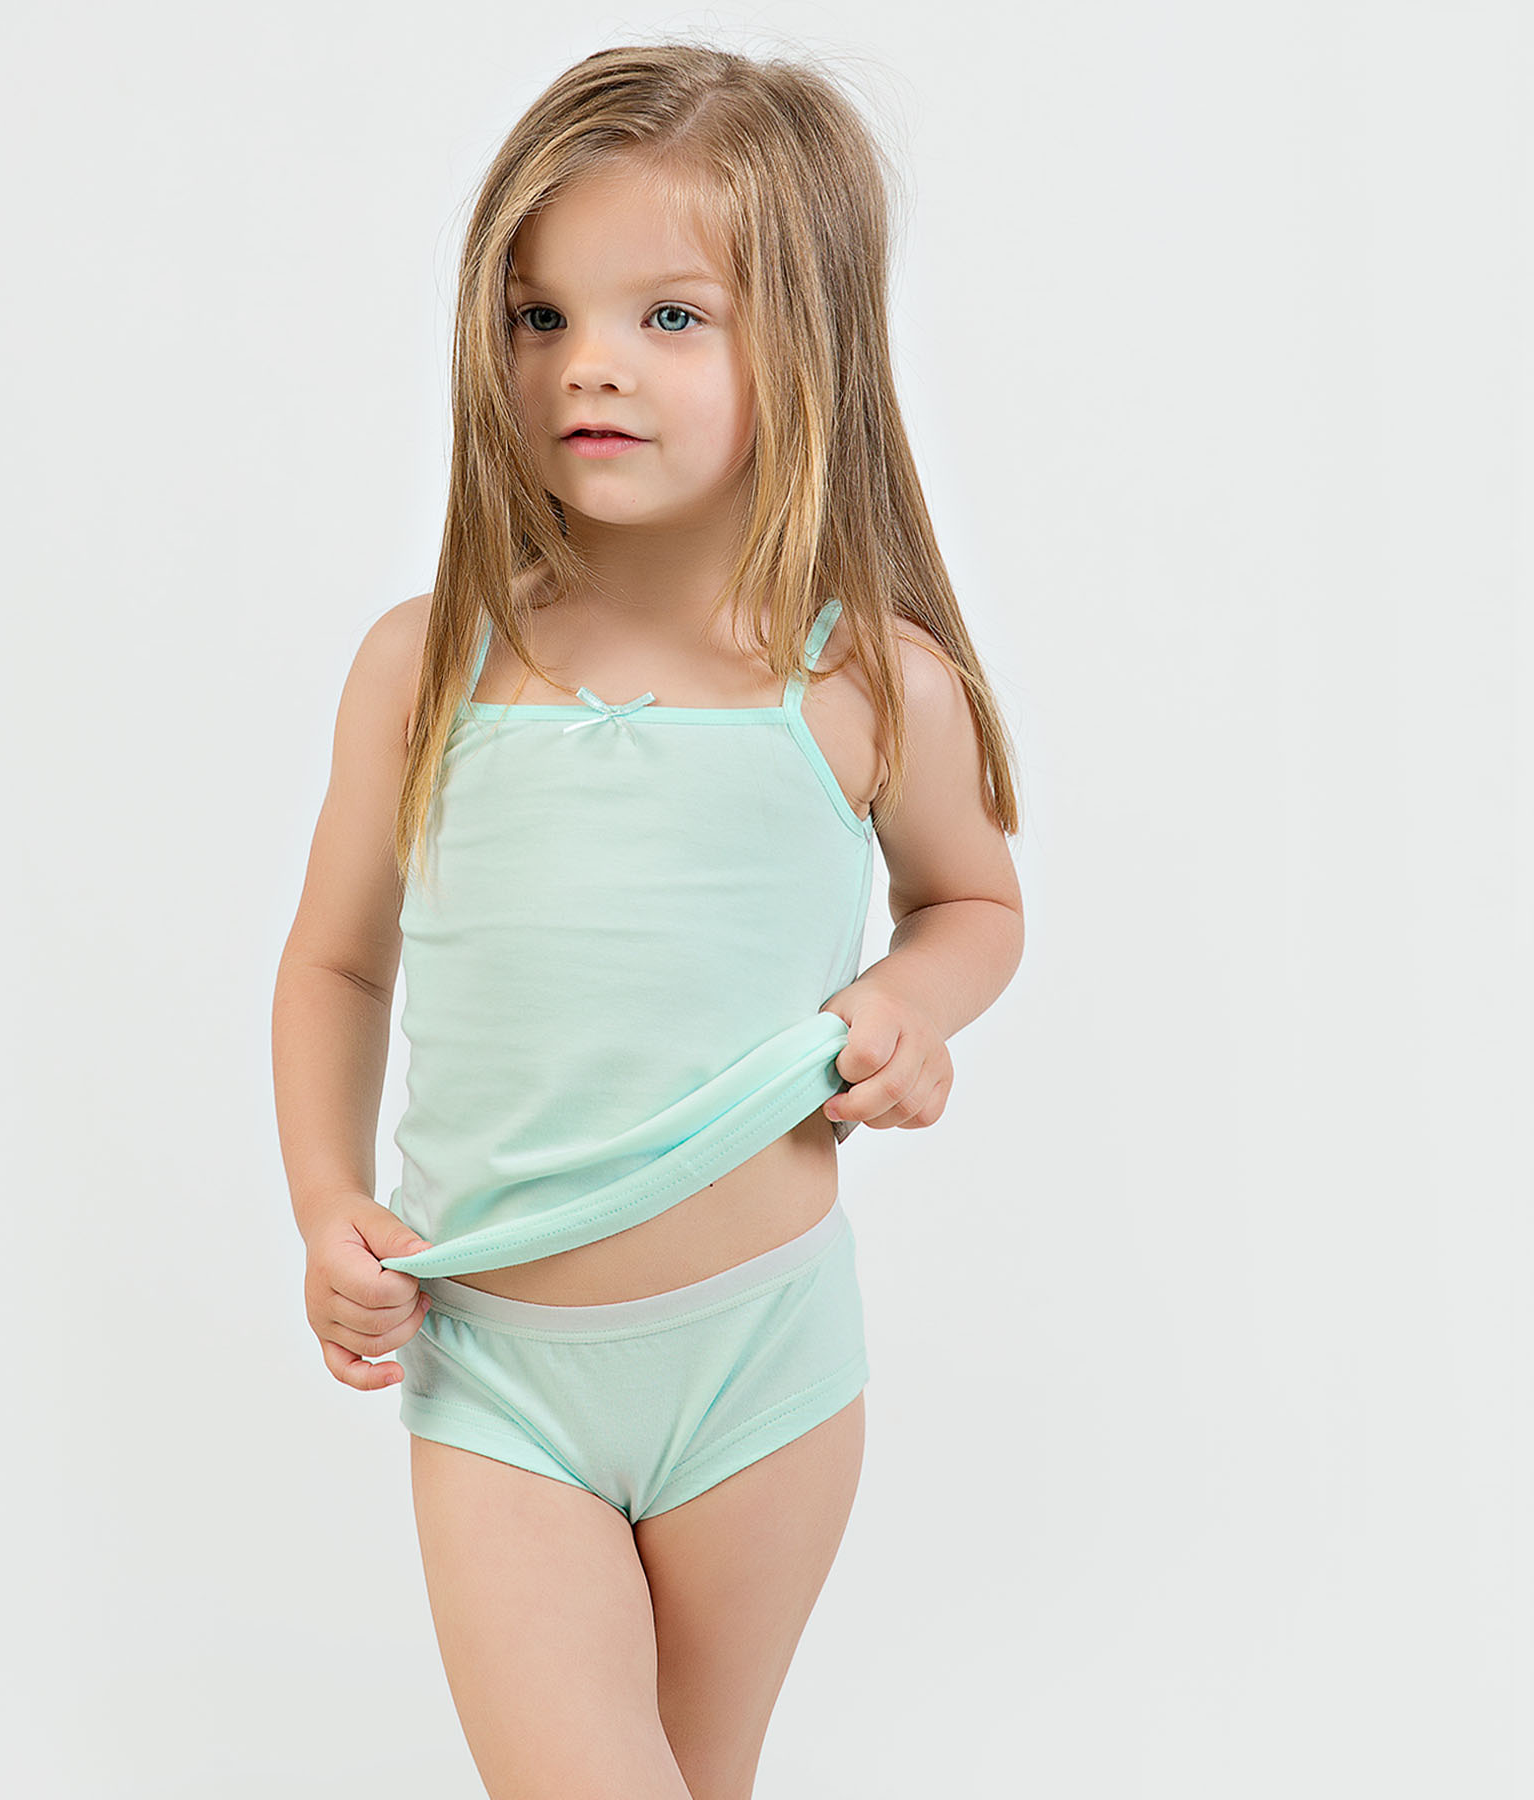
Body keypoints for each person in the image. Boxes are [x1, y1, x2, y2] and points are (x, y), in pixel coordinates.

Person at [272, 41, 1024, 1800]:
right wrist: (322, 1198)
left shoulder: (867, 684)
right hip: (498, 1376)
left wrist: (912, 1006)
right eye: (538, 317)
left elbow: (976, 901)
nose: (586, 364)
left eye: (669, 317)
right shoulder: (425, 667)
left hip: (761, 1364)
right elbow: (338, 960)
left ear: (805, 346)